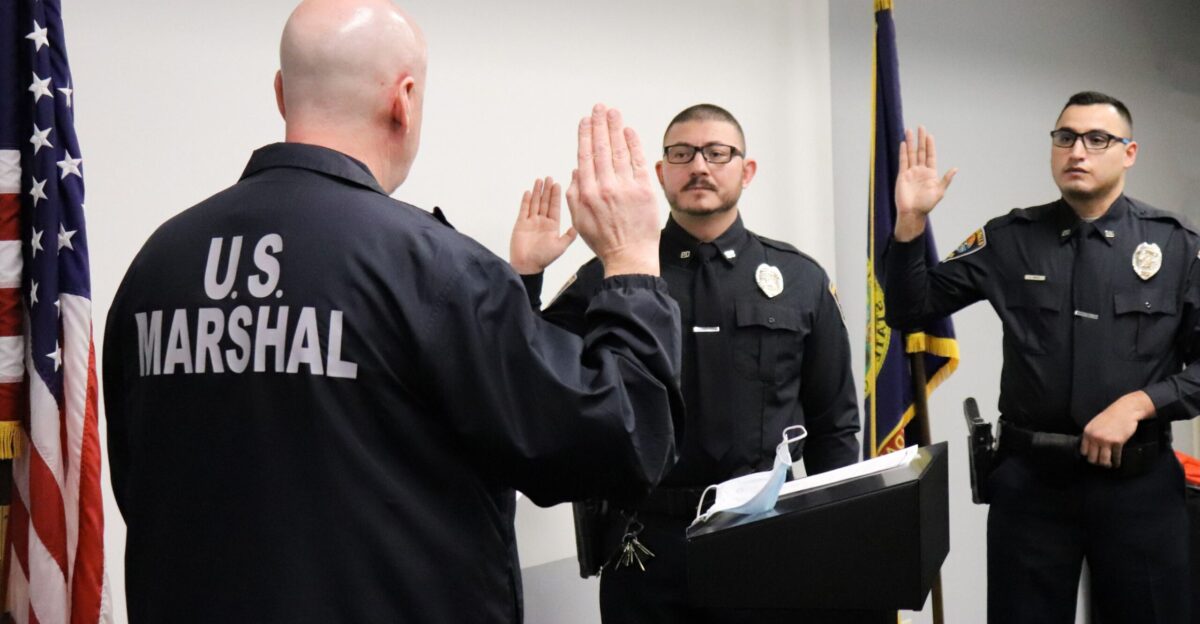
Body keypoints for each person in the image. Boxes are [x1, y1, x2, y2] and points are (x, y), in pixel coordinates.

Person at [102, 1, 686, 622]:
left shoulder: (157, 265)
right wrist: (629, 261)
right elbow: (622, 442)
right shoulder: (433, 269)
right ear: (403, 100)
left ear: (281, 94)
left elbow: (139, 481)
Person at [512, 103, 860, 623]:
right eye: (682, 153)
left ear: (747, 171)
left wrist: (838, 544)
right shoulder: (615, 274)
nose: (699, 165)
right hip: (648, 544)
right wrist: (525, 275)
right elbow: (528, 370)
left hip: (765, 537)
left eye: (717, 153)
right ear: (660, 173)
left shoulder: (801, 280)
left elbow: (834, 425)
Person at [884, 91, 1198, 622]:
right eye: (1065, 137)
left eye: (1097, 139)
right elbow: (911, 309)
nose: (1078, 151)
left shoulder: (1176, 246)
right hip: (1032, 487)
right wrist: (910, 223)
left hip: (1138, 489)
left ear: (1129, 152)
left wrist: (1141, 403)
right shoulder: (1010, 238)